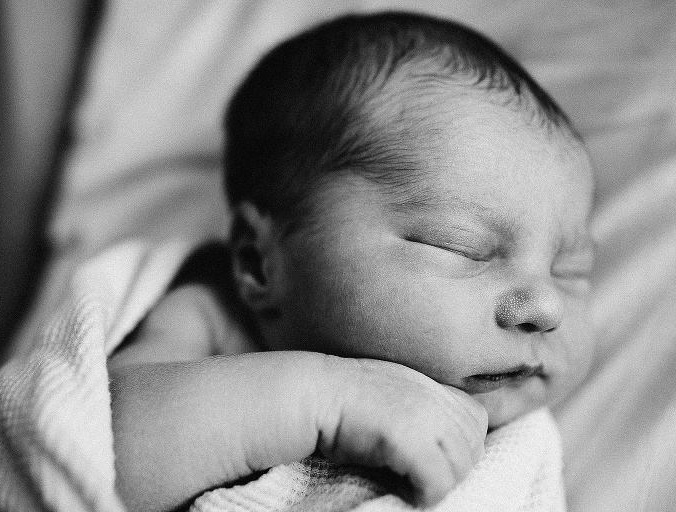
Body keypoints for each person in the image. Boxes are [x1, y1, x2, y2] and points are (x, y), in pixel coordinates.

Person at [107, 11, 595, 512]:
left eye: (572, 271)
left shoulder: (521, 447)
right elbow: (98, 454)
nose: (548, 305)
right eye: (459, 246)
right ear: (260, 263)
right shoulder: (209, 320)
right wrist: (331, 401)